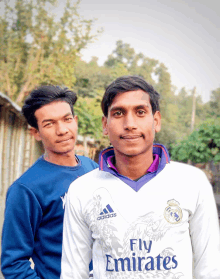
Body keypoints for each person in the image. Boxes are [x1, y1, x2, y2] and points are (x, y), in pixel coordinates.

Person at [61, 76, 220, 279]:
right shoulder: (81, 190)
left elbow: (210, 268)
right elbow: (73, 273)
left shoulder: (193, 182)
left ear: (156, 121)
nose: (130, 124)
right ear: (105, 125)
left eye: (140, 112)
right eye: (118, 113)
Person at [1, 85, 98, 279]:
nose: (62, 130)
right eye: (49, 124)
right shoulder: (26, 190)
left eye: (67, 119)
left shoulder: (94, 169)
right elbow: (13, 264)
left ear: (75, 121)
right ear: (35, 133)